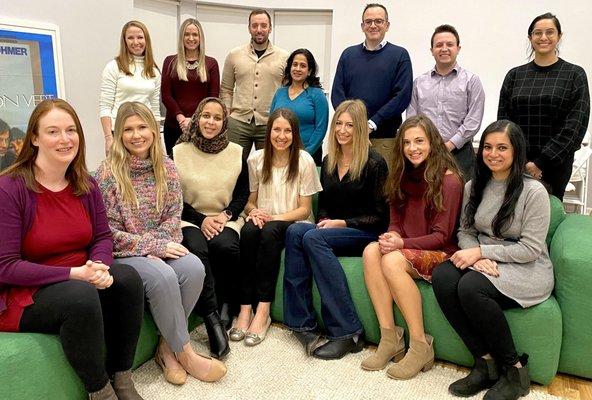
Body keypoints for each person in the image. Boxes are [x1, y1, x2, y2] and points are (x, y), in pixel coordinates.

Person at [0, 99, 145, 400]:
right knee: (78, 295)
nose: (65, 139)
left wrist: (100, 266)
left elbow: (103, 237)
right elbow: (6, 266)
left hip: (80, 275)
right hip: (25, 290)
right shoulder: (10, 188)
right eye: (53, 131)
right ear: (35, 139)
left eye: (71, 130)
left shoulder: (85, 183)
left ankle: (122, 377)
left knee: (128, 278)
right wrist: (74, 274)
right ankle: (100, 391)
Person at [95, 102, 226, 385]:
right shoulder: (106, 174)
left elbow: (172, 215)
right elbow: (107, 231)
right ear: (118, 134)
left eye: (142, 127)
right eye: (128, 129)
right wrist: (150, 248)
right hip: (125, 253)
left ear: (153, 131)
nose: (136, 135)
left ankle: (166, 349)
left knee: (193, 267)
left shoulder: (166, 167)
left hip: (160, 245)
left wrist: (159, 245)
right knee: (164, 275)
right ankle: (186, 352)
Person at [432, 120, 553, 400]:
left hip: (527, 268)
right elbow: (466, 231)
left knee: (470, 287)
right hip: (483, 260)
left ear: (516, 151)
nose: (493, 154)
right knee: (443, 276)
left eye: (502, 147)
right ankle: (485, 363)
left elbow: (530, 249)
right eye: (487, 147)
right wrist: (475, 255)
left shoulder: (534, 192)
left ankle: (515, 369)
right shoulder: (474, 185)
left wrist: (481, 253)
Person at [284, 99, 389, 360]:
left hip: (366, 233)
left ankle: (348, 331)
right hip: (333, 231)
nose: (342, 130)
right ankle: (302, 324)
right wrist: (324, 221)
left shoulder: (375, 164)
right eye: (338, 123)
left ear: (361, 129)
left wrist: (341, 224)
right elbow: (324, 207)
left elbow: (380, 217)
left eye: (350, 125)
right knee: (296, 232)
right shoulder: (330, 160)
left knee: (313, 238)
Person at [361, 115, 463, 379]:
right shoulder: (401, 175)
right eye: (407, 142)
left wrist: (401, 244)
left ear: (433, 143)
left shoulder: (449, 181)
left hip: (441, 254)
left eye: (419, 141)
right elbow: (395, 221)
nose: (413, 148)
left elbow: (442, 236)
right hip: (407, 248)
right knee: (372, 250)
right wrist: (391, 237)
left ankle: (420, 344)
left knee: (392, 260)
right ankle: (389, 337)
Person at [231, 108, 321, 346]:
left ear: (295, 134)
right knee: (248, 231)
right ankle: (244, 309)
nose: (281, 136)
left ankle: (263, 310)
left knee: (269, 232)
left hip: (293, 222)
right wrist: (254, 212)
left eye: (287, 130)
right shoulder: (256, 159)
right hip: (265, 219)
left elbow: (304, 209)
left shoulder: (304, 161)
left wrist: (274, 218)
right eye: (277, 129)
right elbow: (249, 202)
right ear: (269, 131)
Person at [172, 97, 249, 358]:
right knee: (196, 247)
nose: (211, 122)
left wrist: (225, 215)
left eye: (217, 118)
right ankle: (212, 317)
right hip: (188, 217)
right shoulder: (178, 151)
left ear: (224, 122)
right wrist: (201, 220)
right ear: (197, 118)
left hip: (224, 217)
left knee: (225, 245)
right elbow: (174, 198)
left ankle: (229, 303)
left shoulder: (237, 152)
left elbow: (242, 194)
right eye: (206, 116)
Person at [498, 12, 590, 200]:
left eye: (550, 32)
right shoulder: (515, 76)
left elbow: (574, 127)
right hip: (516, 163)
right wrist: (520, 161)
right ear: (530, 37)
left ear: (559, 36)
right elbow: (504, 123)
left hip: (555, 165)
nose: (543, 37)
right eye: (537, 33)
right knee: (511, 216)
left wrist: (540, 163)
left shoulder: (574, 75)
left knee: (547, 218)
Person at [331, 3, 412, 167]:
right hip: (350, 138)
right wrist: (355, 126)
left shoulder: (399, 55)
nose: (373, 25)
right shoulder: (348, 55)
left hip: (384, 140)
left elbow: (401, 96)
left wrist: (371, 124)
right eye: (368, 22)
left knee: (382, 189)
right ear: (362, 26)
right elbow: (337, 94)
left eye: (378, 21)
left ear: (387, 25)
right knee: (348, 187)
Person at [407, 24, 485, 180]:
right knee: (425, 198)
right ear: (432, 51)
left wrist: (449, 145)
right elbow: (412, 119)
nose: (444, 49)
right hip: (424, 154)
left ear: (458, 48)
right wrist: (425, 145)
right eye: (439, 45)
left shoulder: (471, 81)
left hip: (460, 153)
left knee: (460, 200)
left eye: (449, 44)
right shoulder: (418, 83)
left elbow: (473, 121)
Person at [220, 9, 289, 160]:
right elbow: (226, 89)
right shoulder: (234, 55)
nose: (259, 30)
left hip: (269, 123)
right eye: (255, 25)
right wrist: (227, 115)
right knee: (233, 167)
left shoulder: (283, 57)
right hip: (238, 121)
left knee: (269, 168)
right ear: (249, 27)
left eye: (263, 25)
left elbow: (287, 91)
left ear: (270, 28)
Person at [100, 20, 161, 156]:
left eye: (140, 37)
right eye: (130, 38)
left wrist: (158, 139)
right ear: (124, 41)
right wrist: (108, 138)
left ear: (146, 40)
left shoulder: (154, 71)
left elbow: (155, 109)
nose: (136, 42)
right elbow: (105, 107)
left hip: (146, 132)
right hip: (121, 132)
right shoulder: (113, 67)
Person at [162, 18, 220, 155]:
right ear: (181, 37)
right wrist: (181, 117)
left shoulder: (211, 64)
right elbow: (165, 95)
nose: (191, 38)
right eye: (187, 34)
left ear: (201, 38)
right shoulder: (170, 62)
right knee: (175, 168)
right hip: (174, 126)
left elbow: (213, 98)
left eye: (195, 35)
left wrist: (194, 119)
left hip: (203, 127)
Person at [270, 48, 329, 165]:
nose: (297, 69)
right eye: (295, 64)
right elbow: (271, 123)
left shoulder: (317, 95)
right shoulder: (279, 93)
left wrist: (306, 153)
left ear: (310, 71)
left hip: (308, 155)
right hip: (280, 152)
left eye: (303, 66)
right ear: (289, 67)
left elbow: (321, 128)